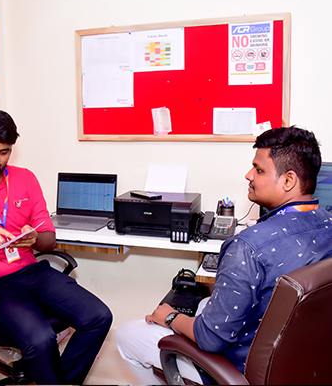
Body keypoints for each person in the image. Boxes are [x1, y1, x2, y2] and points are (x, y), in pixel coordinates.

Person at [115, 126, 332, 384]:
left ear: (288, 181)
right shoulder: (327, 224)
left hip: (243, 365)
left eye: (259, 170)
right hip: (300, 360)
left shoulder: (247, 246)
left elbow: (211, 339)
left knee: (127, 334)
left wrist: (170, 317)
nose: (248, 175)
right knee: (205, 305)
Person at [0, 108, 113, 385]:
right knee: (40, 339)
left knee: (99, 317)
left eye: (4, 152)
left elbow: (49, 239)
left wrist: (33, 239)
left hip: (31, 271)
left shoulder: (24, 178)